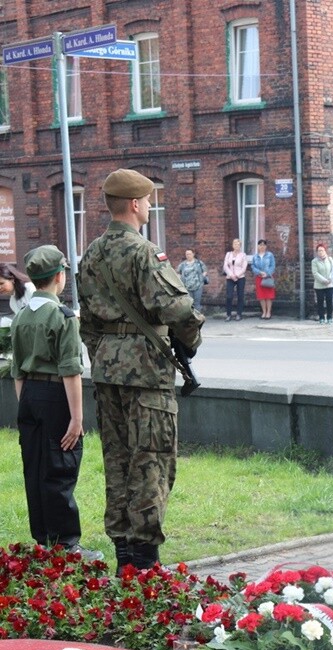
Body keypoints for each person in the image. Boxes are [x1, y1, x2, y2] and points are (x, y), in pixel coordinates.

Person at [77, 168, 204, 573]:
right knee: (151, 462)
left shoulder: (91, 255)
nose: (149, 206)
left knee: (117, 462)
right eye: (147, 200)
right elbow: (179, 310)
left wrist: (107, 355)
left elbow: (87, 325)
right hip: (147, 374)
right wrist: (191, 341)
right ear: (134, 204)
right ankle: (146, 563)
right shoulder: (144, 252)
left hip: (106, 374)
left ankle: (124, 560)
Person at [10, 245, 101, 560]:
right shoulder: (63, 316)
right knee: (61, 467)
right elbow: (71, 371)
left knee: (35, 467)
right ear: (60, 276)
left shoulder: (21, 316)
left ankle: (43, 539)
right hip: (56, 395)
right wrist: (77, 418)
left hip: (29, 396)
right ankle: (66, 544)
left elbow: (17, 370)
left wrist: (27, 406)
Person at [223, 238, 248, 321]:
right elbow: (225, 266)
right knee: (229, 296)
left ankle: (239, 314)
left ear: (240, 246)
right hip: (230, 277)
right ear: (232, 245)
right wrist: (231, 275)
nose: (236, 246)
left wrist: (237, 275)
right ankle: (228, 314)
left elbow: (244, 267)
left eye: (238, 244)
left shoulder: (243, 255)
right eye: (235, 244)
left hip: (240, 277)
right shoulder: (228, 254)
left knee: (240, 295)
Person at [251, 239, 276, 319]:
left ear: (266, 246)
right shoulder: (255, 256)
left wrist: (267, 273)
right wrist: (259, 272)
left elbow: (273, 266)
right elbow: (253, 266)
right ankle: (264, 312)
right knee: (261, 296)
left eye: (263, 245)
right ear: (258, 246)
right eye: (260, 245)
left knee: (268, 295)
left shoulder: (270, 255)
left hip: (268, 277)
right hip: (259, 277)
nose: (262, 246)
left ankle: (268, 312)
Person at [311, 243, 333, 324]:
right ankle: (321, 317)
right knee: (320, 302)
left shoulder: (330, 259)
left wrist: (330, 279)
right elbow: (315, 273)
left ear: (325, 251)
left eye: (322, 250)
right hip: (319, 285)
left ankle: (329, 317)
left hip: (330, 285)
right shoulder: (314, 261)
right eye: (319, 251)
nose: (320, 252)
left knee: (329, 301)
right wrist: (324, 280)